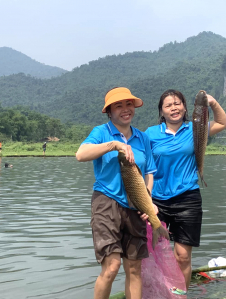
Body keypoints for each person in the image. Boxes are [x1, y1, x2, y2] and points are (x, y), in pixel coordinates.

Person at [75, 87, 157, 299]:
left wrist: (148, 202)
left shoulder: (142, 138)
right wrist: (113, 145)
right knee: (111, 267)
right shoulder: (101, 133)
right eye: (118, 106)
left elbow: (149, 173)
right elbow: (81, 154)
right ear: (109, 112)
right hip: (106, 202)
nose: (125, 109)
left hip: (136, 207)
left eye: (128, 104)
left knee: (134, 269)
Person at [145, 89, 226, 289]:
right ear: (161, 112)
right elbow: (143, 167)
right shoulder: (150, 134)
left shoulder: (196, 128)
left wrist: (213, 103)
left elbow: (222, 123)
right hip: (157, 201)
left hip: (187, 199)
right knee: (152, 253)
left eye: (177, 103)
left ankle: (180, 294)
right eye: (168, 105)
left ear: (185, 107)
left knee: (182, 257)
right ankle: (158, 292)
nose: (174, 108)